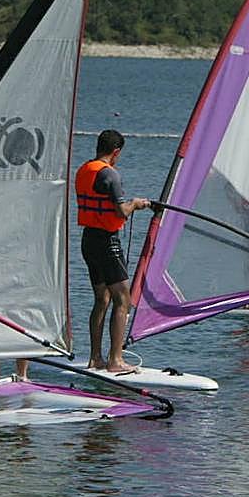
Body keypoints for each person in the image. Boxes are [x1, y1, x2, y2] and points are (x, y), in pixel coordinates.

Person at [75, 130, 150, 373]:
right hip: (107, 241)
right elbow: (121, 212)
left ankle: (95, 358)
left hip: (89, 239)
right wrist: (137, 204)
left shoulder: (85, 169)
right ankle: (116, 360)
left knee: (102, 298)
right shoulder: (110, 174)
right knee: (122, 299)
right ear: (116, 151)